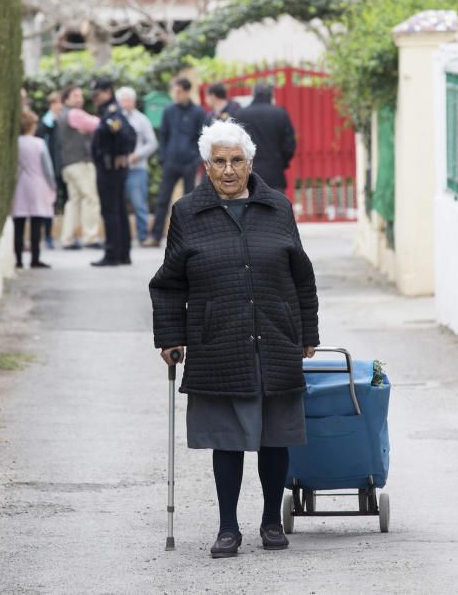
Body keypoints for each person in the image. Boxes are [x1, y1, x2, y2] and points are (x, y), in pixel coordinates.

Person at [149, 120, 320, 559]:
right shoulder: (187, 213)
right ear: (207, 167)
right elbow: (169, 283)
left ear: (250, 163)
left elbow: (301, 276)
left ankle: (269, 523)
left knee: (274, 435)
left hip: (275, 337)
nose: (228, 170)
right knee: (227, 438)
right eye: (219, 161)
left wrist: (307, 332)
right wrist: (170, 336)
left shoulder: (277, 208)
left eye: (236, 160)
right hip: (218, 341)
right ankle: (228, 528)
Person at [144, 77, 205, 247]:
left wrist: (196, 158)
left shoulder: (198, 112)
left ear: (186, 91)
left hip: (189, 163)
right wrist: (164, 157)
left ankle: (189, 237)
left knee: (189, 201)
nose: (175, 94)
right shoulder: (169, 111)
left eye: (178, 91)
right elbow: (163, 136)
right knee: (163, 199)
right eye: (174, 91)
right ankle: (155, 236)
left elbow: (202, 137)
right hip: (171, 162)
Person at [89, 79, 137, 267]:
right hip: (112, 169)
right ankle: (123, 253)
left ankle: (113, 254)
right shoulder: (111, 112)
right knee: (118, 211)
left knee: (111, 211)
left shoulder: (112, 113)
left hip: (110, 170)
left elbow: (127, 135)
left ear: (108, 92)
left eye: (97, 94)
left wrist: (120, 154)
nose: (95, 98)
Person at [56, 85, 103, 250]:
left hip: (68, 163)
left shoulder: (62, 114)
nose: (80, 98)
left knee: (73, 201)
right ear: (66, 99)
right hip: (80, 163)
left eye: (80, 95)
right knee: (91, 198)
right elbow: (97, 124)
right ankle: (90, 237)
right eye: (75, 95)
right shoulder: (75, 113)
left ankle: (67, 238)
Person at [13, 110, 57, 269]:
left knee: (19, 223)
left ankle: (18, 260)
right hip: (39, 184)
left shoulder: (15, 143)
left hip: (21, 185)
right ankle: (35, 259)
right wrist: (53, 186)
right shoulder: (39, 143)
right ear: (32, 126)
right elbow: (48, 169)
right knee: (36, 224)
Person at [234, 82, 297, 192]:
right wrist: (281, 162)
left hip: (248, 175)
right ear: (271, 95)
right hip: (274, 173)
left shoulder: (240, 114)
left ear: (253, 94)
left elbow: (234, 144)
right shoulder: (280, 113)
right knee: (276, 207)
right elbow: (290, 145)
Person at [116, 86, 158, 246]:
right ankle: (120, 237)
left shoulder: (142, 120)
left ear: (133, 102)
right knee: (118, 204)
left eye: (128, 100)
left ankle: (142, 236)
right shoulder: (115, 119)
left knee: (139, 204)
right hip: (118, 169)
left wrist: (137, 155)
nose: (125, 103)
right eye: (122, 100)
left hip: (137, 168)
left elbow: (153, 143)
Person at [36, 91, 64, 249]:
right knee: (48, 204)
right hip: (48, 170)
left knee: (55, 203)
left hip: (59, 168)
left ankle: (50, 235)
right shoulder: (45, 124)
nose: (59, 106)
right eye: (56, 103)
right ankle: (47, 236)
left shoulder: (60, 121)